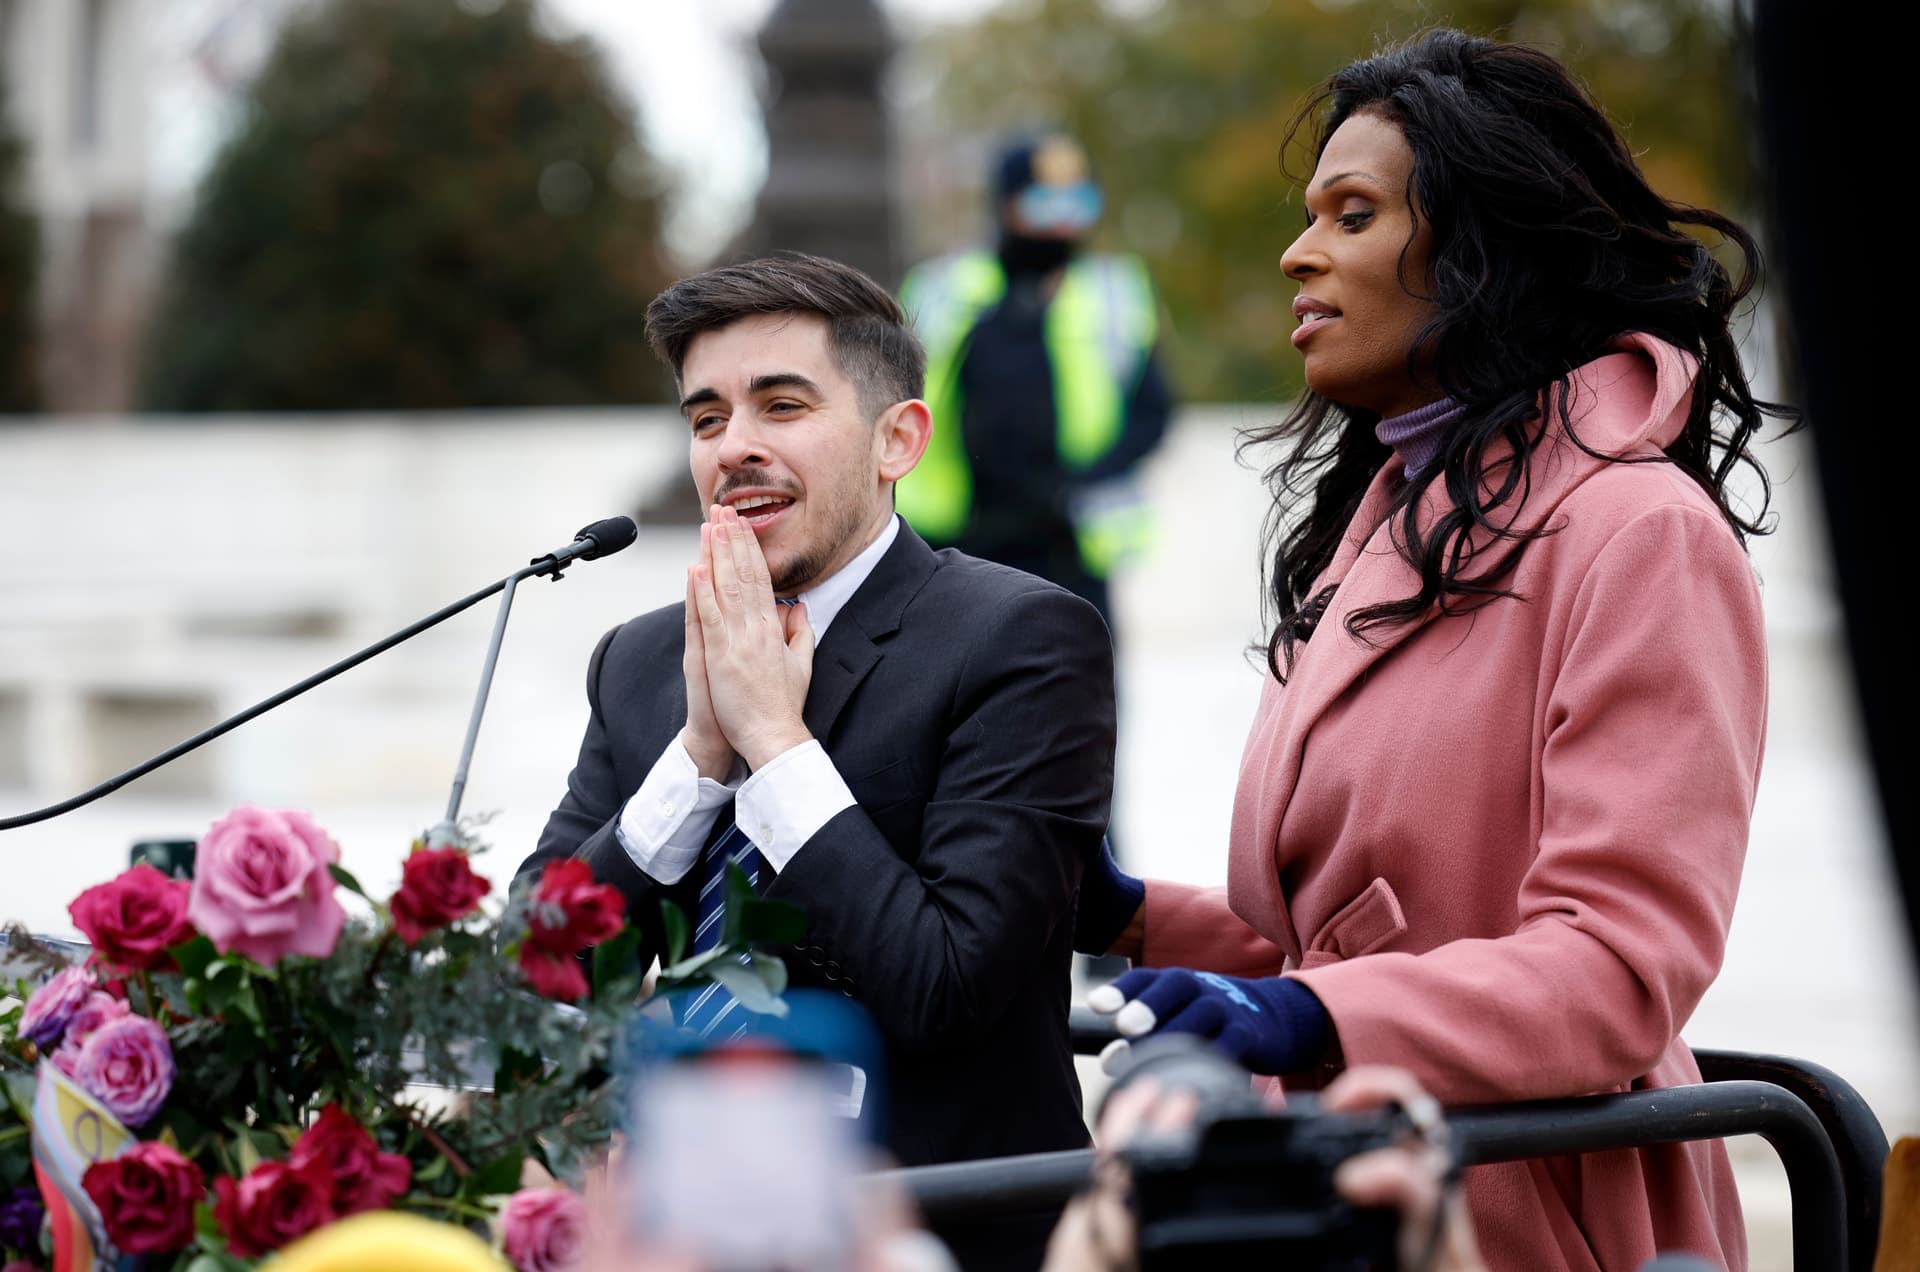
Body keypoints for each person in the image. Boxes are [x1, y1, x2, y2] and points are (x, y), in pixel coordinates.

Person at [1074, 28, 1794, 1272]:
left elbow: (1620, 970)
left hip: (1532, 1208)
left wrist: (1303, 1017)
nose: (1299, 254)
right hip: (1350, 1185)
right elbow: (1364, 934)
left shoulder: (1640, 535)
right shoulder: (1400, 510)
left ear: (1481, 251)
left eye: (1351, 215)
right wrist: (1133, 918)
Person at [517, 252, 1117, 1271]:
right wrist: (702, 757)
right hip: (678, 1238)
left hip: (944, 1223)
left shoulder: (1020, 640)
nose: (733, 449)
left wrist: (775, 744)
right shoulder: (640, 659)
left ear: (899, 439)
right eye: (706, 419)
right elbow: (538, 970)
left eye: (781, 406)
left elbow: (948, 985)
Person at [894, 131, 1173, 644]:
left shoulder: (1116, 290)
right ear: (1007, 206)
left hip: (1071, 543)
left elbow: (1152, 414)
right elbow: (894, 402)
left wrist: (1079, 482)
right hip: (957, 545)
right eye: (1045, 204)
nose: (1064, 221)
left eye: (1079, 202)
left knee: (1081, 707)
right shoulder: (941, 288)